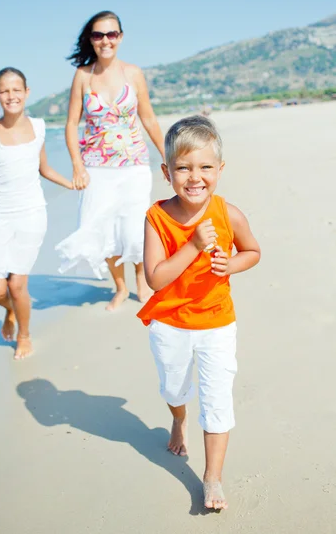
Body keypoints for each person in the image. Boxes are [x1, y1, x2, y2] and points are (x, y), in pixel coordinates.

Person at [137, 116, 261, 510]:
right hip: (170, 322)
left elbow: (252, 251)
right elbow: (156, 279)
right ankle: (178, 418)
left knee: (217, 397)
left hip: (216, 322)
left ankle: (212, 477)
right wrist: (192, 245)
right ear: (166, 172)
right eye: (184, 168)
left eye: (206, 167)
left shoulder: (229, 214)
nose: (195, 177)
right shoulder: (157, 218)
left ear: (219, 170)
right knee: (174, 388)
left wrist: (232, 265)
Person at [56, 10, 165, 311]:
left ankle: (142, 284)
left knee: (133, 228)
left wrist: (168, 157)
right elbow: (70, 124)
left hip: (134, 165)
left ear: (121, 37)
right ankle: (120, 288)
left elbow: (148, 118)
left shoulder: (133, 73)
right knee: (101, 228)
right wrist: (77, 165)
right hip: (96, 168)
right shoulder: (83, 75)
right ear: (91, 40)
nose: (105, 40)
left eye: (111, 34)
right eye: (98, 35)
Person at [0, 67, 73, 360]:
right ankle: (10, 310)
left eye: (16, 89)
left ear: (27, 92)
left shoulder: (38, 128)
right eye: (4, 90)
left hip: (32, 215)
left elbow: (44, 168)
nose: (11, 95)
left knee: (17, 283)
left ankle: (24, 335)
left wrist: (70, 182)